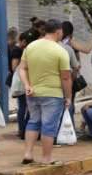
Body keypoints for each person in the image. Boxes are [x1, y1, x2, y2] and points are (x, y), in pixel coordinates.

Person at [20, 19, 72, 164]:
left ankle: (28, 154)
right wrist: (68, 97)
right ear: (58, 32)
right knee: (48, 126)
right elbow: (66, 78)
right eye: (61, 31)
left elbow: (22, 68)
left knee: (33, 122)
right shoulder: (60, 51)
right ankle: (46, 157)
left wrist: (26, 85)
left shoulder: (31, 47)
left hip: (33, 92)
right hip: (53, 94)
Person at [11, 32, 29, 139]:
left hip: (23, 81)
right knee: (23, 106)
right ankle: (22, 129)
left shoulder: (21, 49)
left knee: (24, 106)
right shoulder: (17, 50)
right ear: (23, 41)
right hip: (22, 81)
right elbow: (14, 67)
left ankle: (23, 129)